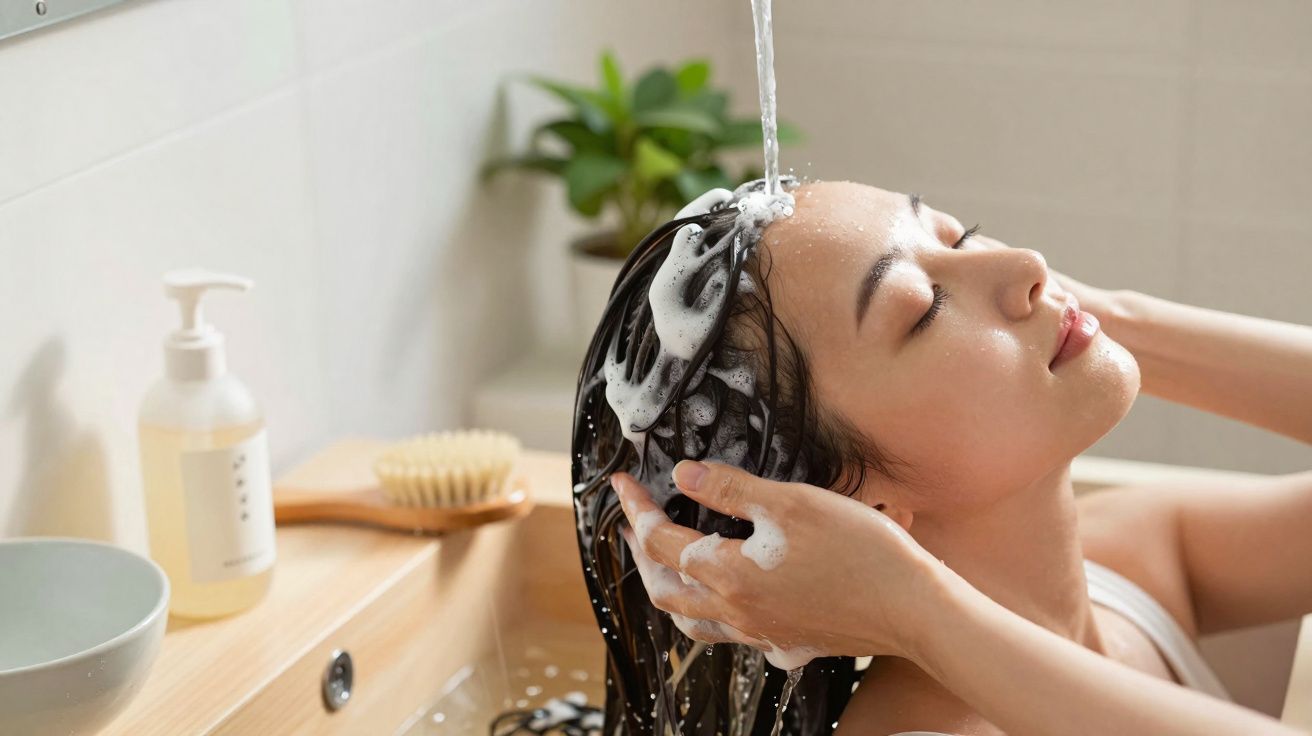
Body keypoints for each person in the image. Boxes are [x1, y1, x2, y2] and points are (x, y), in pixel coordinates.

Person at [571, 179, 1312, 735]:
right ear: (853, 508)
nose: (1029, 262)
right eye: (923, 307)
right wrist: (913, 611)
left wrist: (1104, 318)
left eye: (961, 240)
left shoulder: (1132, 557)